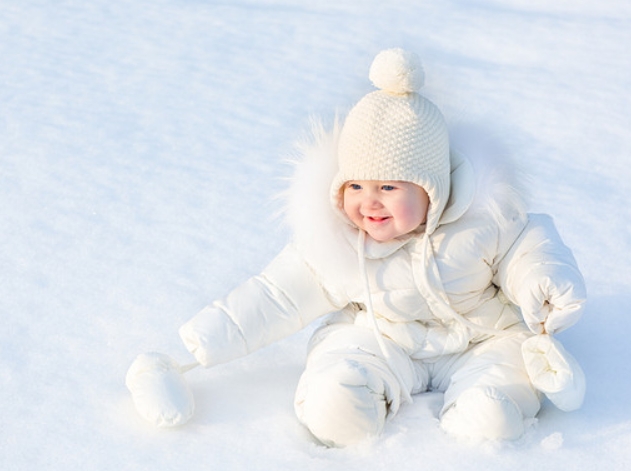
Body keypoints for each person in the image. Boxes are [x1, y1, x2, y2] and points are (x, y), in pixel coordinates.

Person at [126, 48, 587, 447]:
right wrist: (199, 346)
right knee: (333, 405)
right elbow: (273, 297)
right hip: (380, 338)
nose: (369, 201)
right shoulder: (336, 246)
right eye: (356, 185)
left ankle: (478, 427)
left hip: (481, 338)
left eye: (389, 186)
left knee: (493, 414)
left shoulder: (484, 220)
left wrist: (545, 284)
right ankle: (342, 405)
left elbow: (532, 250)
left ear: (434, 190)